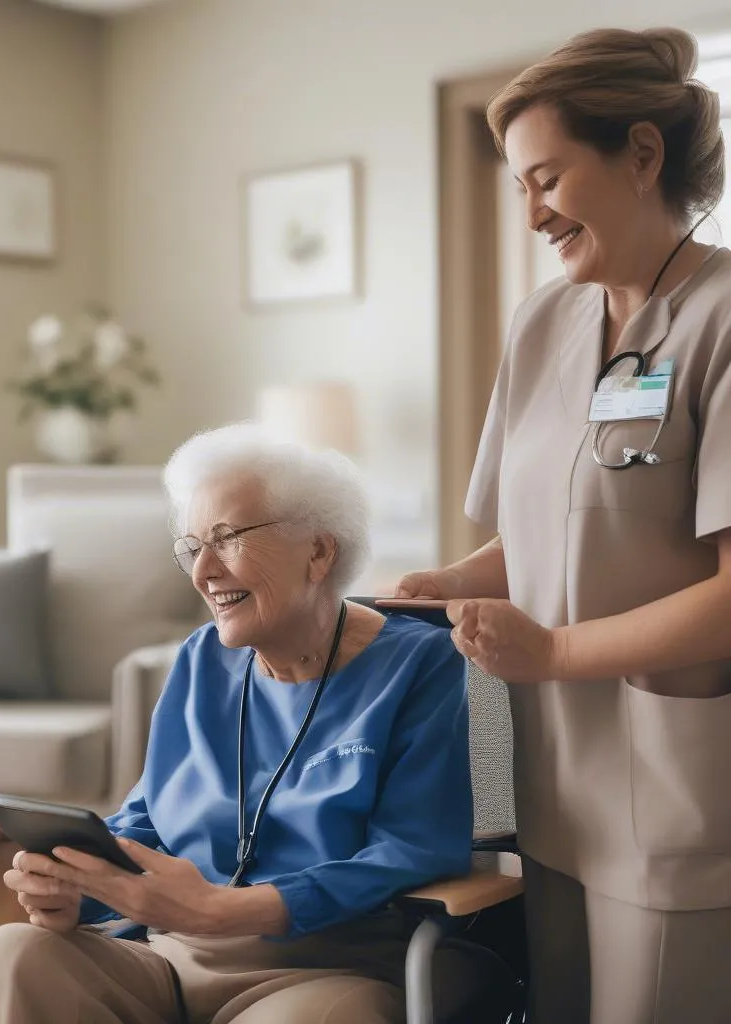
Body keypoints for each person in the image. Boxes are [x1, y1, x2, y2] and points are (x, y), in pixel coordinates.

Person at [392, 26, 731, 1024]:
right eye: (518, 188)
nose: (533, 212)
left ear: (639, 153)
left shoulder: (722, 316)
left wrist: (555, 647)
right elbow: (540, 538)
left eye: (548, 178)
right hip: (551, 785)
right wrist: (447, 582)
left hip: (671, 783)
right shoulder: (544, 321)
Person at [0, 424, 482, 1024]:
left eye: (227, 539)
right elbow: (150, 814)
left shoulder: (423, 665)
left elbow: (411, 850)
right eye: (191, 547)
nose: (203, 570)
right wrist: (80, 885)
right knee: (10, 955)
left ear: (318, 551)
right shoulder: (202, 658)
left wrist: (225, 910)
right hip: (170, 952)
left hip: (333, 966)